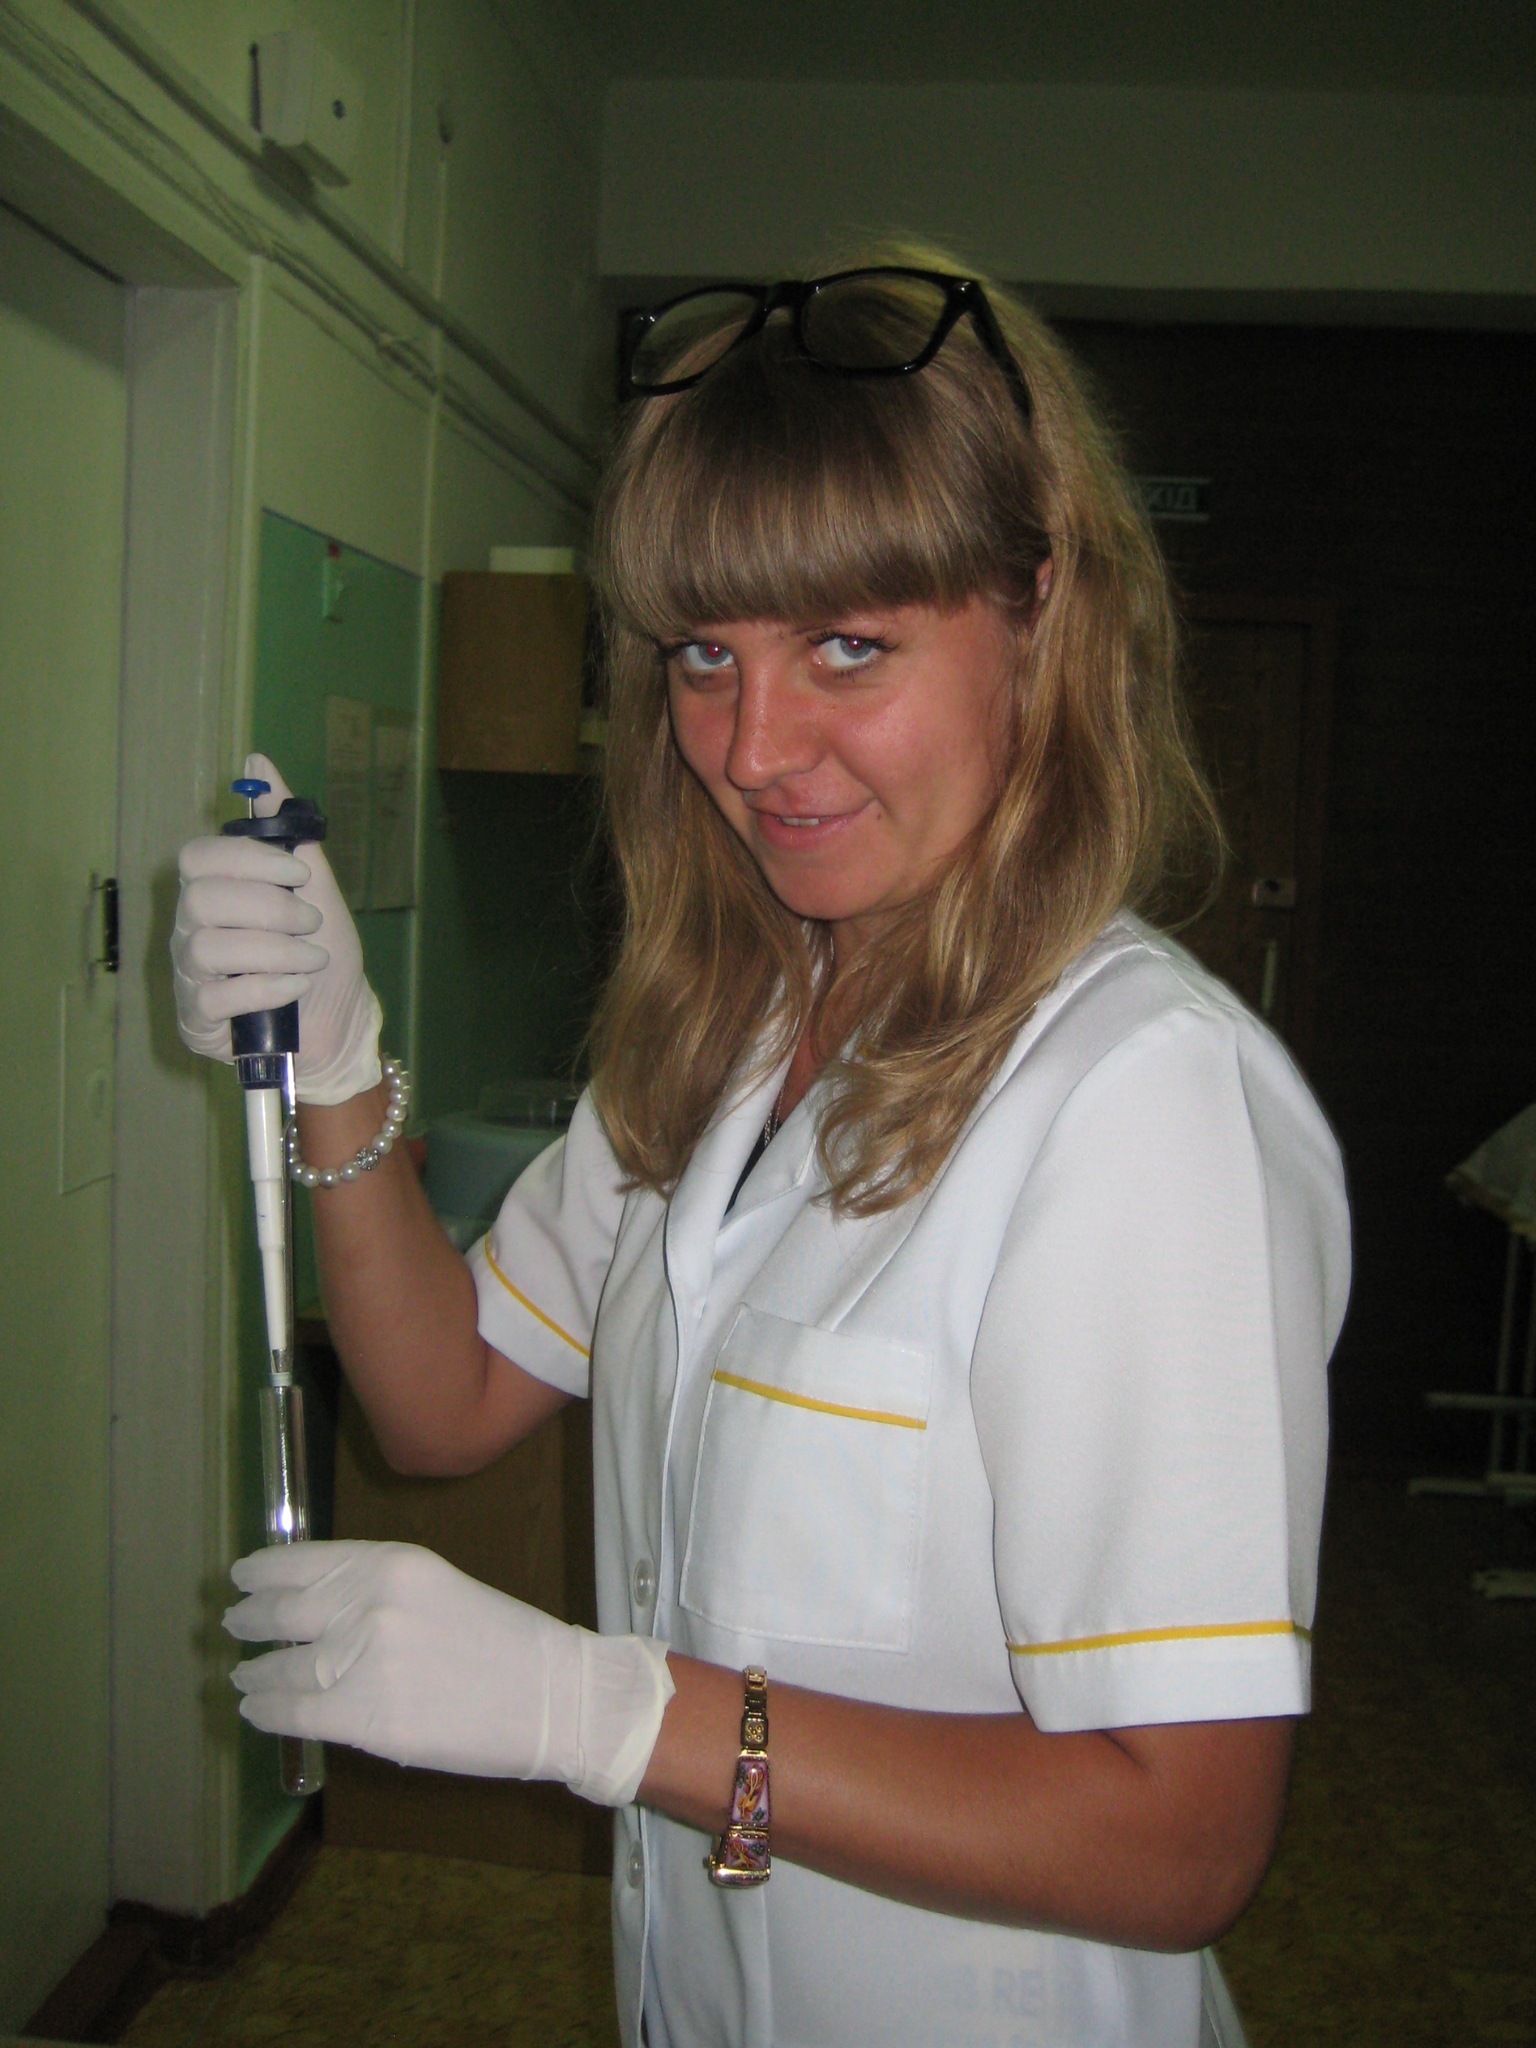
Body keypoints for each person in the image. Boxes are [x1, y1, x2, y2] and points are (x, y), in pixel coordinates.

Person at [173, 255, 1350, 2048]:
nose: (753, 748)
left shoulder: (1139, 1102)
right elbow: (440, 1403)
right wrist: (339, 1066)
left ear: (1039, 610)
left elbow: (1178, 1839)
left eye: (849, 646)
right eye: (703, 655)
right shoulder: (726, 1031)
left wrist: (607, 1717)